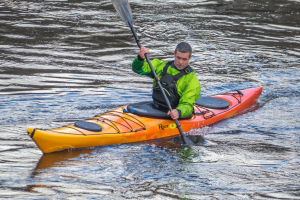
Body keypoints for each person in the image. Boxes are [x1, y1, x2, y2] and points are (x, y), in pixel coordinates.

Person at [132, 42, 201, 120]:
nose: (180, 62)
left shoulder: (191, 80)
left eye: (184, 59)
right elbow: (137, 69)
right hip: (155, 108)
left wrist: (178, 111)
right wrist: (140, 58)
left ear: (190, 57)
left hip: (173, 114)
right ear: (174, 54)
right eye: (178, 58)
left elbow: (188, 105)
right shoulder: (161, 66)